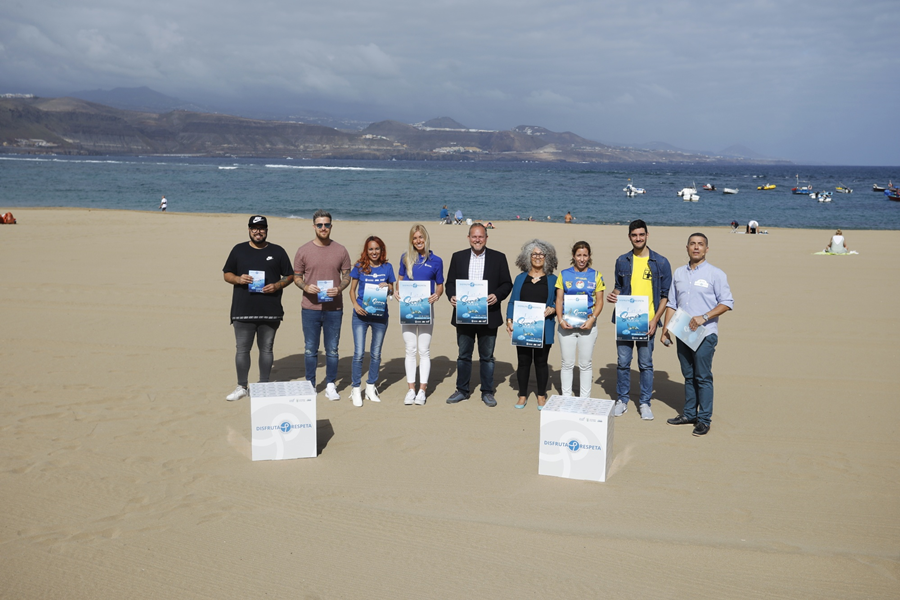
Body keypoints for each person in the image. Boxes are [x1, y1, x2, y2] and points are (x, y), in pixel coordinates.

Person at [661, 233, 734, 437]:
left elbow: (727, 302)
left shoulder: (715, 274)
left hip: (706, 333)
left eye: (700, 244)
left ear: (706, 249)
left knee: (703, 377)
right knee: (688, 375)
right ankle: (689, 414)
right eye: (692, 244)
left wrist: (704, 316)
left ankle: (704, 419)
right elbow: (672, 304)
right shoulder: (678, 273)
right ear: (686, 248)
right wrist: (665, 329)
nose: (696, 247)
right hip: (682, 331)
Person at [222, 215, 294, 401]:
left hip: (270, 311)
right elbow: (227, 274)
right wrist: (238, 279)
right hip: (243, 310)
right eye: (255, 228)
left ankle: (263, 385)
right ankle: (241, 386)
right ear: (249, 229)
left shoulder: (278, 251)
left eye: (262, 228)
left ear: (267, 230)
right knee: (242, 350)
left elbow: (290, 275)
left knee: (267, 349)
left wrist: (277, 286)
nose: (258, 231)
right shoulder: (238, 250)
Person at [606, 220, 672, 420]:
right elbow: (619, 286)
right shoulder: (622, 261)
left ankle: (644, 403)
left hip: (648, 322)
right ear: (629, 237)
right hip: (626, 320)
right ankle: (623, 400)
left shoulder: (660, 262)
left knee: (645, 364)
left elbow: (665, 295)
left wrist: (656, 320)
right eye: (634, 235)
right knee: (623, 362)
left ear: (647, 235)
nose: (638, 238)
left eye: (641, 234)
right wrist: (614, 295)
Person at [445, 223, 512, 407]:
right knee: (464, 355)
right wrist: (452, 296)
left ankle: (487, 392)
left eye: (481, 236)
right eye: (474, 236)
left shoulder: (499, 258)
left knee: (487, 357)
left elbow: (507, 284)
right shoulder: (458, 257)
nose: (477, 240)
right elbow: (449, 283)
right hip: (464, 316)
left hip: (489, 315)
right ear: (468, 238)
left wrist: (497, 296)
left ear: (486, 238)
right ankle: (462, 390)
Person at [293, 210, 351, 400]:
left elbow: (347, 276)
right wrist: (306, 287)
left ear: (331, 226)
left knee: (332, 349)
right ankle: (310, 384)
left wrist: (340, 288)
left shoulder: (341, 250)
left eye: (326, 224)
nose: (323, 228)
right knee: (310, 348)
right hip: (310, 308)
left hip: (334, 309)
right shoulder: (303, 250)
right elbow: (296, 277)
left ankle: (330, 384)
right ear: (314, 227)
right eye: (319, 225)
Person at [506, 239, 558, 410]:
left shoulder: (553, 280)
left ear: (547, 257)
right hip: (523, 328)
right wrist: (509, 320)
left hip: (544, 328)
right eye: (534, 254)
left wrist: (553, 310)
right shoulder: (520, 278)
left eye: (541, 254)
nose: (537, 257)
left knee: (541, 362)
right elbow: (513, 301)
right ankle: (522, 395)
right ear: (527, 257)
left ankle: (541, 396)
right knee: (523, 361)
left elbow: (560, 303)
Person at [398, 224, 444, 406]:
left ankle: (422, 390)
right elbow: (400, 281)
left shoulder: (436, 261)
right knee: (410, 349)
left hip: (426, 309)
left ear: (426, 238)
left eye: (421, 237)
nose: (418, 241)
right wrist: (397, 291)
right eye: (415, 238)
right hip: (408, 309)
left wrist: (437, 294)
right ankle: (411, 389)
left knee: (424, 350)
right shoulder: (405, 258)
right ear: (411, 240)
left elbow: (440, 284)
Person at [348, 236, 396, 407]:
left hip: (380, 316)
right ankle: (355, 389)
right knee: (359, 353)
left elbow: (392, 290)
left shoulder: (387, 267)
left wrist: (389, 287)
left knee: (376, 353)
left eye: (377, 249)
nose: (374, 252)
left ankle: (370, 387)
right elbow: (351, 290)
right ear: (366, 251)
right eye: (370, 249)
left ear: (381, 250)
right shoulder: (360, 267)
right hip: (360, 315)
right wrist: (355, 305)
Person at [555, 241, 605, 398]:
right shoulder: (564, 274)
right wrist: (561, 320)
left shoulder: (596, 275)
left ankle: (584, 399)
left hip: (588, 325)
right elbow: (559, 300)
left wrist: (593, 319)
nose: (582, 259)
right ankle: (566, 397)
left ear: (589, 256)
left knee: (585, 364)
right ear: (573, 256)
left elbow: (600, 301)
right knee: (567, 363)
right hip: (567, 326)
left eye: (585, 255)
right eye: (579, 255)